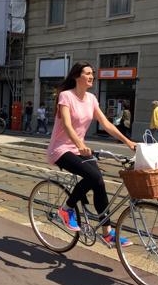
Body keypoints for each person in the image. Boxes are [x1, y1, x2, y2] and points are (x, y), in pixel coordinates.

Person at [47, 61, 136, 247]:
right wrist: (79, 144)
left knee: (99, 181)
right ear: (76, 76)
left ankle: (107, 233)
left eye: (92, 73)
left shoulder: (91, 99)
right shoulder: (66, 96)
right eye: (87, 73)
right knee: (93, 175)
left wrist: (128, 142)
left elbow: (106, 124)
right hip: (62, 149)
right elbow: (66, 124)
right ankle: (66, 209)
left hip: (79, 149)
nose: (91, 76)